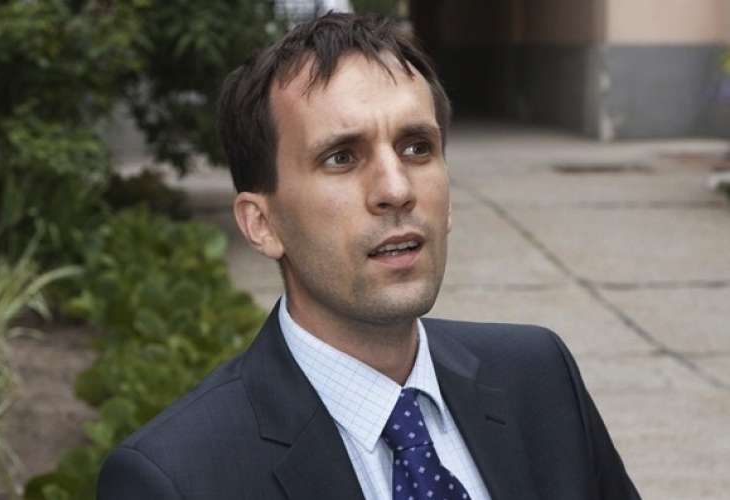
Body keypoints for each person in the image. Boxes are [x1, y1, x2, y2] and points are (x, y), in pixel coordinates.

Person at [97, 12, 641, 500]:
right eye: (341, 157)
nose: (396, 189)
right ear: (262, 224)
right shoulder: (176, 478)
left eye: (417, 147)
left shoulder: (539, 377)